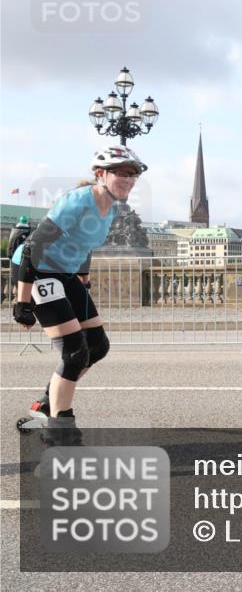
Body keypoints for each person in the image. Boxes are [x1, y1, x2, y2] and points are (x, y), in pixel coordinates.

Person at [11, 145, 147, 444]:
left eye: (133, 175)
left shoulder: (112, 207)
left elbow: (86, 244)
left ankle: (48, 402)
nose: (128, 180)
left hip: (65, 272)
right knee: (74, 352)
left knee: (97, 346)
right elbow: (34, 247)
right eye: (121, 173)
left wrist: (83, 279)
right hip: (37, 269)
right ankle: (60, 429)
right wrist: (22, 302)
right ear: (101, 174)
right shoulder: (77, 202)